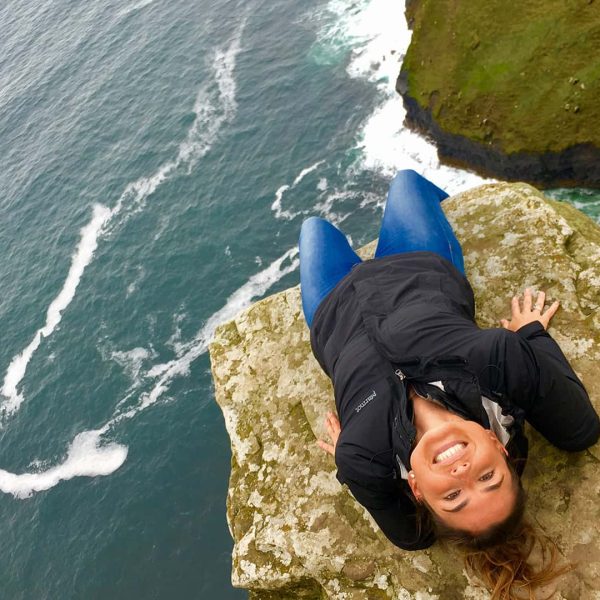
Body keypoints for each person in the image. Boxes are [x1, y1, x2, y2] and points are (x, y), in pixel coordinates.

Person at [299, 170, 600, 599]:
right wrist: (532, 332)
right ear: (499, 448)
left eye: (455, 496)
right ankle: (460, 195)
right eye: (489, 478)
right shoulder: (498, 368)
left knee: (313, 227)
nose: (463, 473)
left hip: (332, 313)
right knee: (405, 180)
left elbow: (408, 535)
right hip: (419, 264)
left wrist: (352, 459)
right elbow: (580, 429)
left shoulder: (366, 455)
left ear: (418, 490)